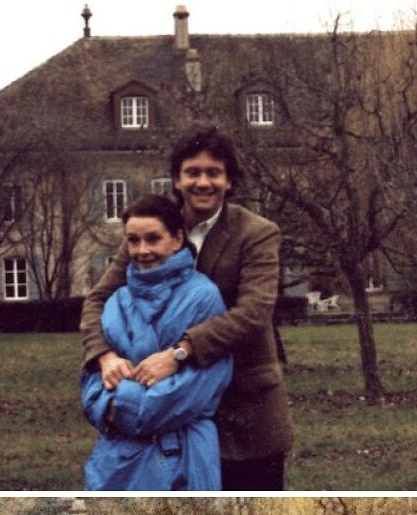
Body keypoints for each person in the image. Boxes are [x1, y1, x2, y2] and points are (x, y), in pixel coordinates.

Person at [80, 127, 293, 492]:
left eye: (214, 172)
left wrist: (181, 352)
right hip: (168, 413)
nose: (203, 182)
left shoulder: (256, 233)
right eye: (192, 172)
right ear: (177, 180)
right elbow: (98, 298)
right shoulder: (155, 227)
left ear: (229, 180)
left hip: (244, 408)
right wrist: (105, 355)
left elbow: (254, 313)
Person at [81, 193, 232, 491]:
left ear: (177, 240)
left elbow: (196, 389)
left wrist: (115, 407)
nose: (142, 250)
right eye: (133, 240)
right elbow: (90, 381)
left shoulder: (204, 298)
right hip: (116, 458)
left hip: (182, 456)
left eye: (153, 239)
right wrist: (104, 392)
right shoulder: (116, 301)